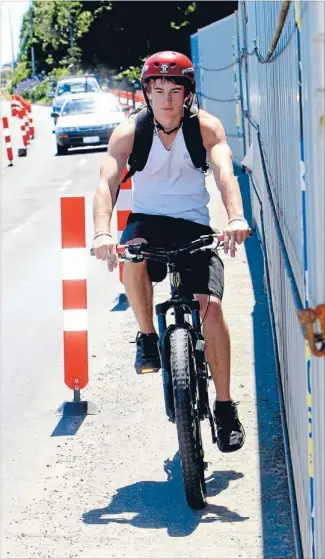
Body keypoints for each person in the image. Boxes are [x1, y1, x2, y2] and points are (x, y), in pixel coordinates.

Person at [92, 51, 250, 453]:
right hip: (148, 221)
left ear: (187, 94)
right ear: (147, 93)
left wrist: (234, 218)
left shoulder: (205, 129)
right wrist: (101, 233)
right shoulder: (130, 132)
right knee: (132, 255)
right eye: (157, 90)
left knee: (209, 306)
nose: (165, 99)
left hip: (194, 224)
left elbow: (225, 172)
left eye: (174, 90)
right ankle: (147, 336)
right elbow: (106, 183)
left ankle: (226, 405)